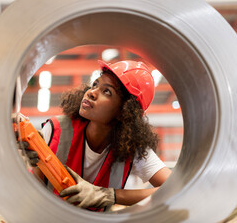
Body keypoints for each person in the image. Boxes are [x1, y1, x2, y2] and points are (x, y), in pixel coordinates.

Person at [18, 59, 171, 210]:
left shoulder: (134, 149)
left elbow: (176, 188)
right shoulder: (56, 130)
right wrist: (35, 158)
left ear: (124, 111)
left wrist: (110, 195)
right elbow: (32, 193)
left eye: (107, 91)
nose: (91, 93)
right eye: (95, 85)